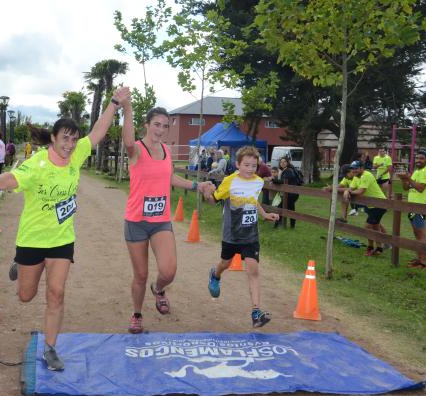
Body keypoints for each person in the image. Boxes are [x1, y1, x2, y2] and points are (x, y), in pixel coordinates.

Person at [0, 86, 132, 371]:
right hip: (33, 239)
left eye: (73, 139)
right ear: (53, 139)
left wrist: (114, 103)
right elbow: (11, 179)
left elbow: (97, 131)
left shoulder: (78, 153)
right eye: (65, 139)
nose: (70, 144)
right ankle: (19, 265)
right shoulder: (37, 165)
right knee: (26, 296)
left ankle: (50, 348)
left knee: (56, 293)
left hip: (62, 239)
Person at [121, 104, 215, 334]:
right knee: (140, 275)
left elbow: (170, 177)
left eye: (165, 126)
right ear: (147, 125)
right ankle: (136, 314)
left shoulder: (166, 151)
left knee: (168, 271)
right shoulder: (137, 150)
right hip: (136, 221)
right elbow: (128, 141)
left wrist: (197, 185)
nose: (161, 130)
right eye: (156, 124)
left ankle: (159, 289)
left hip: (160, 221)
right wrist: (127, 108)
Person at [203, 146, 280, 328]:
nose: (250, 169)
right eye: (246, 165)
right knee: (226, 263)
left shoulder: (258, 182)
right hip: (231, 234)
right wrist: (207, 193)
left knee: (253, 271)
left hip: (250, 235)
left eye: (254, 165)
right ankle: (215, 275)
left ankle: (256, 312)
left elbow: (253, 200)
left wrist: (264, 214)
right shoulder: (230, 181)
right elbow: (214, 200)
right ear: (237, 164)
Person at [397, 151, 426, 269]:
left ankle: (423, 262)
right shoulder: (417, 171)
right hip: (413, 206)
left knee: (421, 234)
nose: (418, 160)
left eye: (421, 158)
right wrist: (404, 179)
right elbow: (406, 188)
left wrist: (408, 178)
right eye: (417, 158)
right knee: (417, 233)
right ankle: (419, 259)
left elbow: (420, 188)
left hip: (420, 207)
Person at [344, 160, 389, 256]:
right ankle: (380, 248)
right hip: (371, 205)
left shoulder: (367, 175)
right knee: (376, 227)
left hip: (379, 204)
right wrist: (347, 191)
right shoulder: (356, 177)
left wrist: (349, 192)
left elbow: (360, 191)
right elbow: (351, 188)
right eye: (353, 169)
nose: (354, 170)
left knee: (367, 227)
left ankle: (370, 247)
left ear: (361, 168)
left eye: (356, 168)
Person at [274, 157, 302, 228]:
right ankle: (291, 226)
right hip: (290, 193)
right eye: (281, 162)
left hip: (291, 194)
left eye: (284, 162)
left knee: (280, 208)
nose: (282, 163)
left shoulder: (289, 170)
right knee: (290, 209)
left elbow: (284, 181)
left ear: (287, 163)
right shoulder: (286, 170)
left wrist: (273, 180)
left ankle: (277, 225)